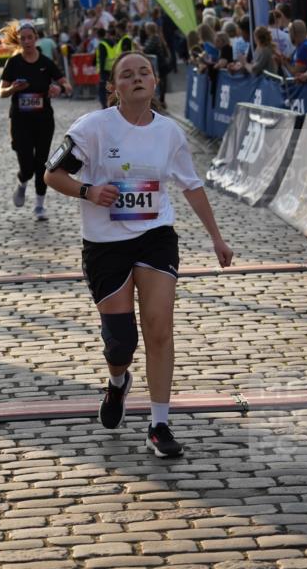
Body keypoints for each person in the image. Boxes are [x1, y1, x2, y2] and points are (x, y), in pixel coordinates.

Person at [44, 51, 233, 459]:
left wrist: (216, 238)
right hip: (105, 244)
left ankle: (159, 424)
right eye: (127, 74)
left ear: (154, 81)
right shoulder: (92, 128)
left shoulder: (169, 133)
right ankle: (117, 383)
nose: (137, 78)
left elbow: (191, 185)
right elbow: (52, 174)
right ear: (114, 87)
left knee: (159, 328)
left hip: (155, 236)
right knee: (121, 342)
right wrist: (89, 191)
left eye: (144, 71)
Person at [0, 20, 73, 221]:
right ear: (19, 40)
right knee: (27, 166)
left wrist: (59, 88)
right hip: (20, 121)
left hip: (43, 121)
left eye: (30, 38)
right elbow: (1, 92)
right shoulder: (13, 63)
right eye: (23, 38)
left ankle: (39, 206)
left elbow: (67, 85)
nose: (27, 41)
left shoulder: (46, 63)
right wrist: (13, 89)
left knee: (41, 163)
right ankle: (22, 182)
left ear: (36, 38)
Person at [142, 22, 171, 108]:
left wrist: (139, 47)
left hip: (160, 64)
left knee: (161, 83)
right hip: (159, 64)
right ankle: (160, 101)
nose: (145, 30)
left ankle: (161, 101)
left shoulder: (155, 38)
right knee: (161, 83)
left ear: (149, 30)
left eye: (146, 29)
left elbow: (147, 50)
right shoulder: (153, 38)